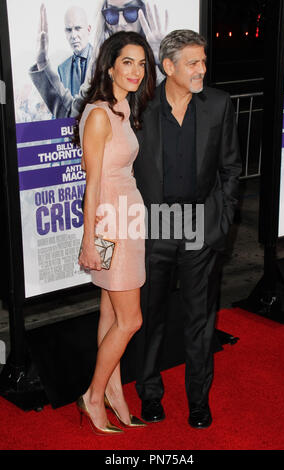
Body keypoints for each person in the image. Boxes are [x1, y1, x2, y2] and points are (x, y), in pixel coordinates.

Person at [133, 30, 242, 428]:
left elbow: (231, 168)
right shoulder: (139, 106)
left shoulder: (218, 104)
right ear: (169, 68)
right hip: (155, 226)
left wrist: (223, 220)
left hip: (200, 226)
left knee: (200, 321)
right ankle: (149, 393)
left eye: (203, 61)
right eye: (193, 63)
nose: (202, 70)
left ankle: (198, 399)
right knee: (149, 317)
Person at [75, 31, 156, 434]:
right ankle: (92, 396)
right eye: (128, 62)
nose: (136, 71)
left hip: (129, 219)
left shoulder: (123, 107)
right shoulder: (100, 115)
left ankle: (115, 393)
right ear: (109, 66)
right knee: (131, 320)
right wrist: (89, 239)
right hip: (112, 225)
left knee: (111, 313)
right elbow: (92, 184)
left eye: (142, 64)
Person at [29, 0, 167, 118]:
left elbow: (175, 113)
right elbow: (75, 115)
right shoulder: (99, 63)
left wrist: (161, 63)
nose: (121, 22)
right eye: (112, 14)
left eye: (130, 12)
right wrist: (42, 65)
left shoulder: (162, 62)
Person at [58, 6, 93, 97]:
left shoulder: (103, 60)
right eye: (69, 30)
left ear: (88, 30)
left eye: (78, 28)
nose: (73, 35)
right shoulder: (62, 69)